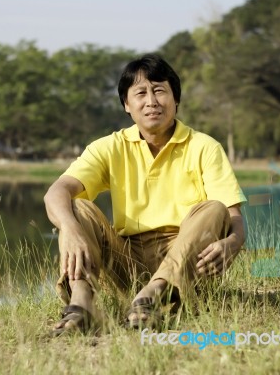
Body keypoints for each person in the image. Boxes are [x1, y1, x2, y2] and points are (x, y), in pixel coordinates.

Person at [44, 54, 246, 336]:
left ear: (176, 100)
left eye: (160, 90)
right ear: (127, 105)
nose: (151, 101)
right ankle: (82, 304)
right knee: (76, 207)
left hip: (186, 259)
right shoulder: (110, 146)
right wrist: (69, 226)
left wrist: (233, 242)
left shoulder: (204, 147)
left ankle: (153, 294)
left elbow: (233, 216)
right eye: (140, 93)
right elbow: (56, 192)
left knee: (214, 208)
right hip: (127, 260)